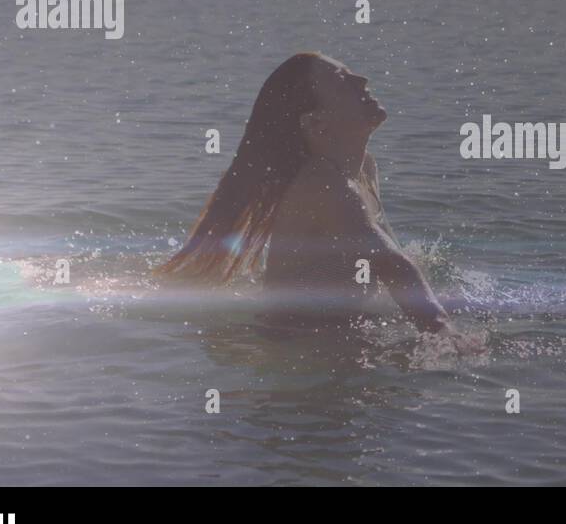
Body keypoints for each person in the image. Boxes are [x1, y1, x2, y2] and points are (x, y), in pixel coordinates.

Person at [156, 52, 451, 333]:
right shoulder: (321, 185)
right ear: (315, 122)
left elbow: (389, 267)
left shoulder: (365, 170)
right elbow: (389, 262)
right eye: (342, 80)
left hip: (338, 334)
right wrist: (442, 328)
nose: (361, 79)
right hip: (296, 343)